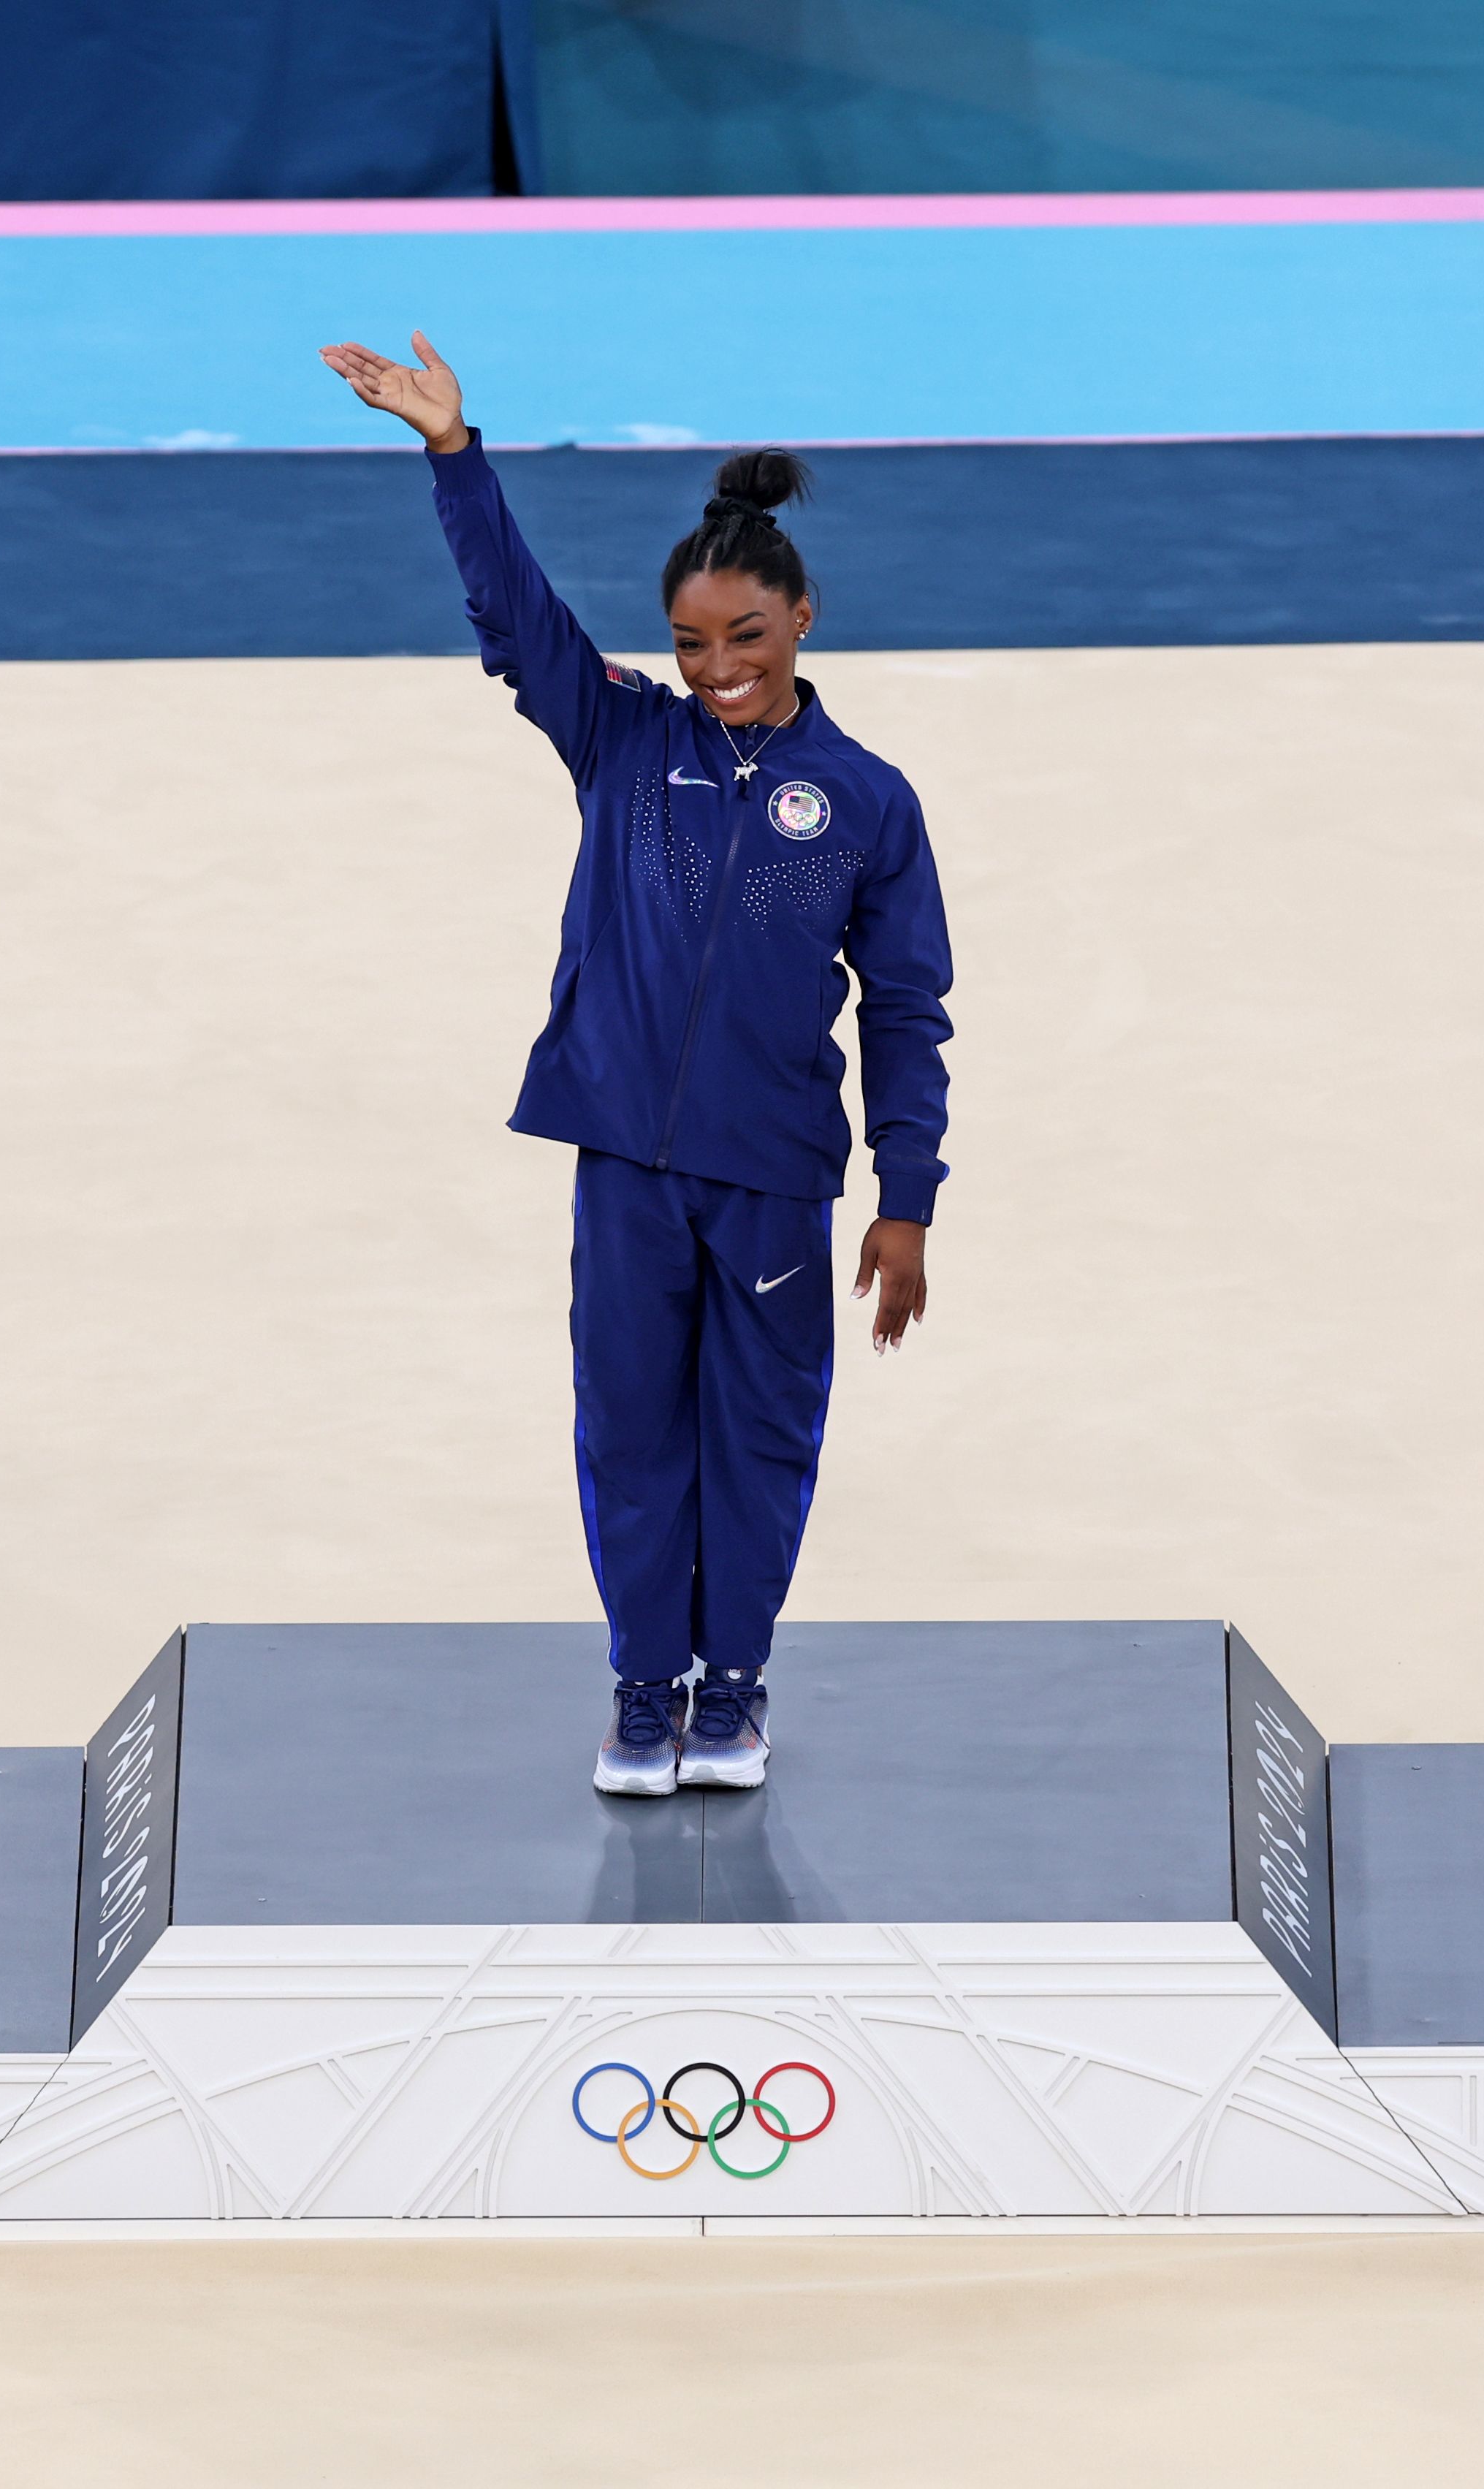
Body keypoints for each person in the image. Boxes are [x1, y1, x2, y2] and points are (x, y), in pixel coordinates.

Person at [318, 331, 954, 1798]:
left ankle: (731, 1687)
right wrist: (450, 456)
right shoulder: (618, 742)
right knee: (627, 1430)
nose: (716, 668)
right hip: (624, 1164)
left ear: (800, 618)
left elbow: (906, 1008)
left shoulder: (864, 801)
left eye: (744, 636)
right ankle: (640, 1681)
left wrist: (905, 1200)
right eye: (689, 642)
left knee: (758, 1434)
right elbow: (513, 614)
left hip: (776, 1180)